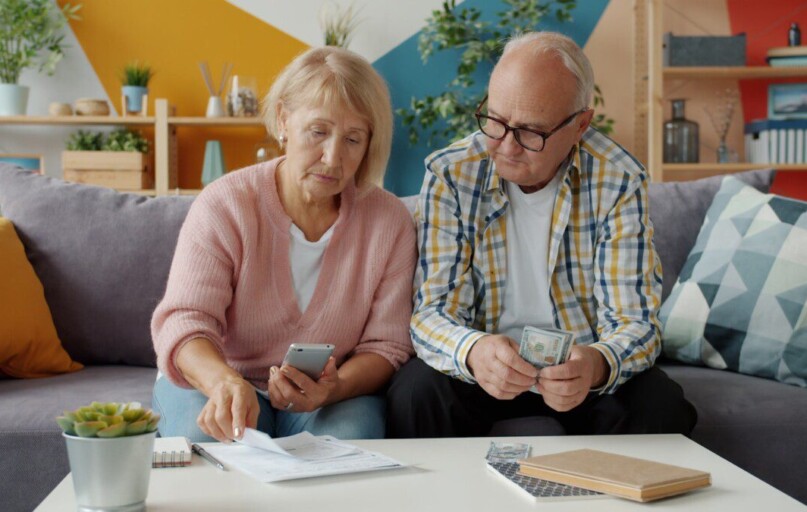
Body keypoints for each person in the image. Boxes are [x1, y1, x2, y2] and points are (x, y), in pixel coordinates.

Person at [387, 31, 696, 438]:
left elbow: (634, 322)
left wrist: (596, 364)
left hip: (581, 371)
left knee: (662, 405)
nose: (506, 147)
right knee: (415, 394)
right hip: (482, 370)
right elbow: (432, 312)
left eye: (531, 133)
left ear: (580, 125)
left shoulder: (618, 178)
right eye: (495, 122)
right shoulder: (451, 173)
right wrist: (474, 351)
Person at [152, 46, 417, 443]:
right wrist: (224, 382)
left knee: (354, 434)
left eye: (352, 139)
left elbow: (387, 346)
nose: (332, 157)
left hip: (326, 398)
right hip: (219, 380)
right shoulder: (226, 203)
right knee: (209, 438)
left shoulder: (389, 221)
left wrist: (335, 387)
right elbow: (186, 322)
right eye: (318, 131)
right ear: (283, 120)